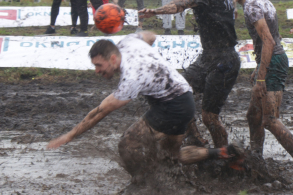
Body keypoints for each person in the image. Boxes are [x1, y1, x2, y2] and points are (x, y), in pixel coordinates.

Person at [47, 33, 199, 182]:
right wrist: (149, 61)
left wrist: (70, 135)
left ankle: (144, 184)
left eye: (99, 66)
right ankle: (217, 154)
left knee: (128, 144)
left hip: (173, 107)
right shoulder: (129, 42)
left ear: (113, 59)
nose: (97, 71)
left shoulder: (131, 78)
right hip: (184, 98)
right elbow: (151, 36)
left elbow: (100, 112)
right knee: (171, 157)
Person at [140, 0, 240, 150]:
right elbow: (188, 0)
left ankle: (225, 156)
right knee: (176, 92)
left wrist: (156, 11)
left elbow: (183, 3)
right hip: (208, 57)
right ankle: (195, 138)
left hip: (225, 61)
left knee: (209, 117)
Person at [218, 0, 293, 171]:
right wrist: (260, 66)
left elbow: (268, 41)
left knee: (269, 120)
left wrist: (261, 77)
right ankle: (256, 158)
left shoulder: (251, 7)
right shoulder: (259, 0)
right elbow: (271, 38)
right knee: (253, 115)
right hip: (271, 61)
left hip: (275, 62)